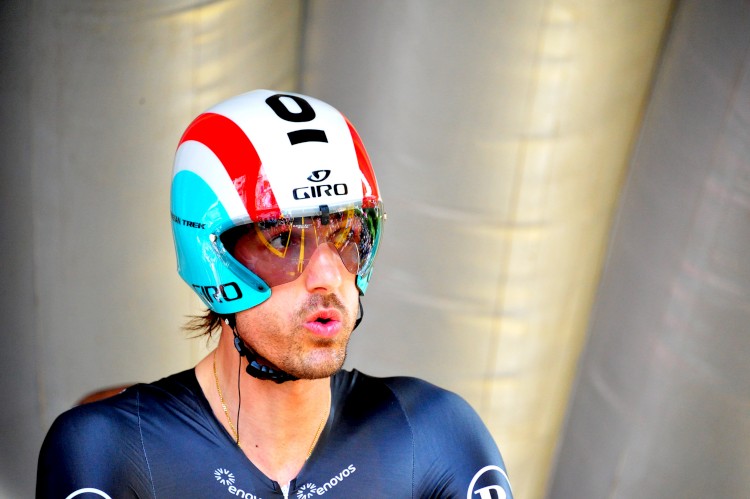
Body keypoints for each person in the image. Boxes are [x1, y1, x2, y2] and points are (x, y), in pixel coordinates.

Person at [36, 89, 513, 499]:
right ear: (212, 255)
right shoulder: (107, 447)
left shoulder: (434, 431)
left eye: (347, 234)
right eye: (283, 239)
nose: (328, 276)